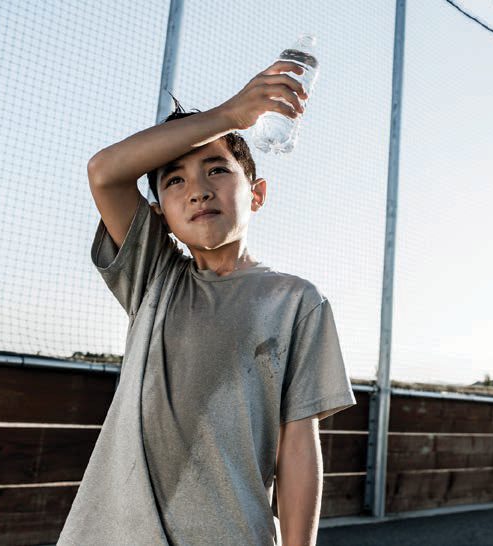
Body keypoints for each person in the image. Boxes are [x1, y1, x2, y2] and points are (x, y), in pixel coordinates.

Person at [57, 60, 356, 546]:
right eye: (175, 180)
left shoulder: (297, 302)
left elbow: (299, 446)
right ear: (159, 213)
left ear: (257, 194)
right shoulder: (154, 277)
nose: (198, 190)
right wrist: (231, 115)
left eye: (217, 169)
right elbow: (105, 172)